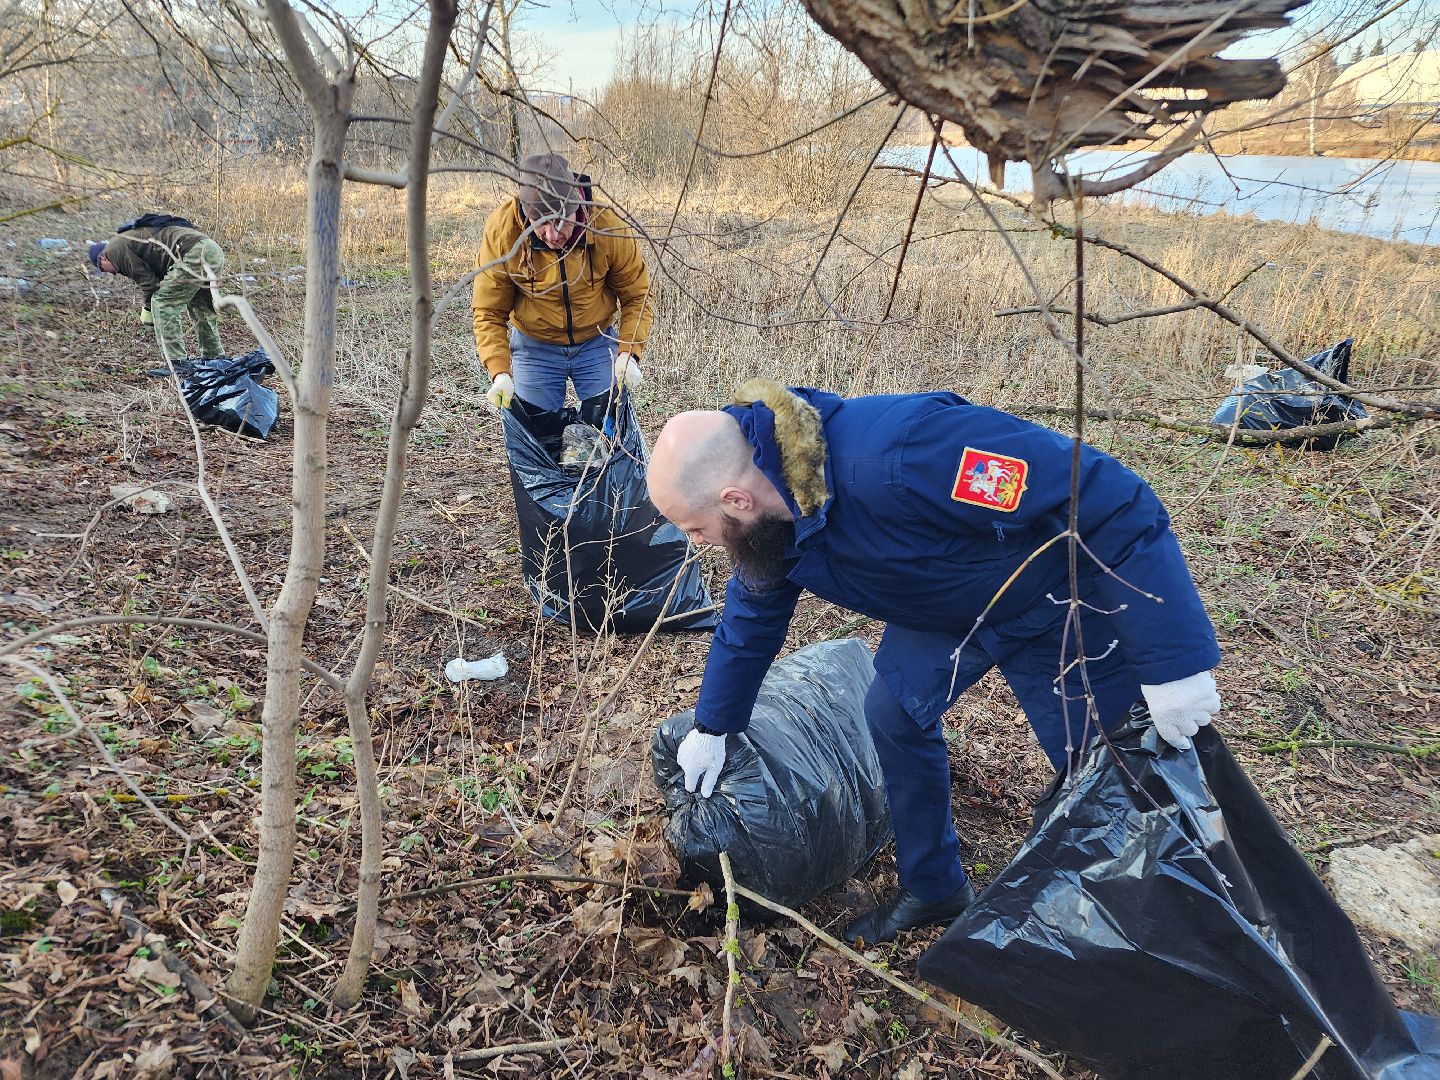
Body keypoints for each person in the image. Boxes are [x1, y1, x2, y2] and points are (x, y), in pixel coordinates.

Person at [646, 379, 1222, 945]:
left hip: (1052, 602)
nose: (698, 542)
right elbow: (750, 620)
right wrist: (713, 725)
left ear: (735, 499)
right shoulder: (773, 523)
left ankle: (1199, 927)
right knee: (893, 715)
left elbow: (1107, 494)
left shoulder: (907, 453)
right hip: (949, 611)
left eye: (696, 528)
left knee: (1114, 773)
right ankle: (935, 887)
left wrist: (1173, 662)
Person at [472, 152, 655, 413]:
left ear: (576, 208)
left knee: (609, 423)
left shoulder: (607, 226)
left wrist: (628, 353)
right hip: (535, 345)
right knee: (535, 428)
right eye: (540, 224)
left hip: (596, 340)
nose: (552, 235)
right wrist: (499, 372)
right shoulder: (503, 231)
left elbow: (637, 294)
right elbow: (489, 310)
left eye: (560, 221)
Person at [89, 216, 226, 365]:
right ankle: (214, 357)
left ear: (103, 258)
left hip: (192, 253)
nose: (111, 273)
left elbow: (150, 285)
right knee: (200, 306)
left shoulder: (114, 250)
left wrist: (148, 310)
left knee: (163, 302)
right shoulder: (126, 240)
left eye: (103, 269)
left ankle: (176, 362)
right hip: (211, 249)